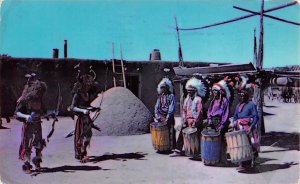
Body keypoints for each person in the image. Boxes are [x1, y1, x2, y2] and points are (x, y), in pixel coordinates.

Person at [15, 77, 47, 173]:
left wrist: (51, 113)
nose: (39, 94)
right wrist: (26, 116)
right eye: (38, 92)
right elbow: (17, 112)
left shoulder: (39, 99)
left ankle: (37, 162)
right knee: (27, 145)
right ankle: (27, 164)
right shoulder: (25, 100)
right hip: (28, 125)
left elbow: (44, 111)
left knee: (38, 144)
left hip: (38, 124)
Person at [170, 77, 206, 157]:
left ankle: (198, 152)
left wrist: (195, 122)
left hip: (196, 121)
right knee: (182, 134)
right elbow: (184, 110)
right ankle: (178, 150)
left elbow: (199, 112)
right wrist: (184, 120)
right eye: (188, 91)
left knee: (197, 135)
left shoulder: (198, 99)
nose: (189, 93)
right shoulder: (186, 100)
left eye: (191, 91)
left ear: (195, 91)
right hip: (187, 120)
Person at [69, 73, 99, 162]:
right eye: (87, 85)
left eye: (89, 85)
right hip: (79, 118)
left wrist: (93, 108)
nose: (88, 87)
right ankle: (82, 154)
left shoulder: (87, 94)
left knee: (88, 136)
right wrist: (83, 111)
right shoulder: (77, 94)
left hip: (87, 118)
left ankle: (84, 150)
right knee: (80, 136)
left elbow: (87, 105)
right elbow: (72, 107)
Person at [232, 89, 259, 170]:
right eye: (241, 96)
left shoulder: (251, 105)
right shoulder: (238, 105)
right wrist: (234, 122)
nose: (242, 97)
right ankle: (241, 163)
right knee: (241, 145)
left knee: (251, 144)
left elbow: (255, 117)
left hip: (249, 127)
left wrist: (251, 127)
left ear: (247, 96)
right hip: (239, 128)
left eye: (244, 95)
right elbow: (235, 116)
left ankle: (252, 161)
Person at [207, 79, 230, 163]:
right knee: (213, 139)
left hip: (221, 121)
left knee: (222, 140)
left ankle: (223, 159)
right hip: (213, 122)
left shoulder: (224, 101)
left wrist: (222, 125)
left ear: (220, 92)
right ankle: (214, 157)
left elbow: (226, 113)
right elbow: (209, 111)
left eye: (216, 91)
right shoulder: (213, 101)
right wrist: (209, 119)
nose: (214, 93)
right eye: (213, 91)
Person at [154, 77, 176, 150]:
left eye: (164, 87)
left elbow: (171, 107)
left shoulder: (171, 96)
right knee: (163, 131)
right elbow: (156, 106)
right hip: (161, 115)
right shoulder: (160, 96)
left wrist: (168, 117)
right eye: (162, 87)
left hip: (168, 116)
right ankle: (163, 146)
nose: (163, 89)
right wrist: (157, 115)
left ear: (167, 88)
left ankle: (171, 147)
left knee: (171, 131)